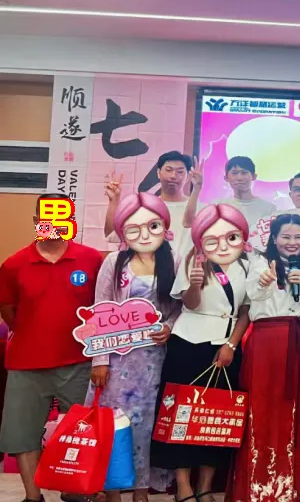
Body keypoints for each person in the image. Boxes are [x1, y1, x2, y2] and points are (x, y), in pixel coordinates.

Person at [0, 194, 104, 502]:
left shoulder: (91, 259)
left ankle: (74, 493)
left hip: (78, 363)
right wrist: (34, 333)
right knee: (22, 433)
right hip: (25, 365)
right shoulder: (14, 264)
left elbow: (102, 308)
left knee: (81, 433)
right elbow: (8, 309)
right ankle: (33, 497)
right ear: (37, 222)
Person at [152, 203, 253, 502]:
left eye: (230, 235)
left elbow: (246, 310)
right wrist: (195, 285)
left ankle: (205, 485)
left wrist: (231, 345)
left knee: (218, 415)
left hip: (226, 345)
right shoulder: (193, 260)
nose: (223, 242)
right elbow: (190, 304)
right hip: (189, 342)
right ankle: (183, 484)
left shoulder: (247, 264)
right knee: (181, 415)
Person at [88, 193, 179, 502]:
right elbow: (100, 310)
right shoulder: (115, 262)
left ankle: (141, 490)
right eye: (134, 227)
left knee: (145, 423)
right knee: (114, 424)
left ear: (163, 226)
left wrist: (169, 326)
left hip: (153, 359)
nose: (145, 233)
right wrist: (100, 360)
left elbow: (179, 308)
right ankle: (113, 490)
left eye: (152, 225)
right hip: (116, 360)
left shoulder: (172, 261)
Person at [228, 214, 300, 502]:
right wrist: (266, 279)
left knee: (293, 410)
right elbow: (253, 295)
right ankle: (256, 487)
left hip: (297, 342)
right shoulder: (259, 262)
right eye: (286, 237)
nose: (292, 242)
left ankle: (289, 487)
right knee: (262, 409)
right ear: (274, 238)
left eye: (297, 237)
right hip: (267, 342)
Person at [104, 151, 194, 252]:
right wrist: (113, 200)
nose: (173, 176)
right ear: (158, 173)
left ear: (188, 177)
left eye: (180, 172)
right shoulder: (144, 207)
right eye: (168, 170)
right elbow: (112, 235)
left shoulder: (199, 209)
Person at [185, 156, 277, 248]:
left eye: (244, 173)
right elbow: (188, 223)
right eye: (234, 173)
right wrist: (196, 188)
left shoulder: (268, 208)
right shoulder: (218, 205)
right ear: (226, 178)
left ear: (253, 176)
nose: (239, 178)